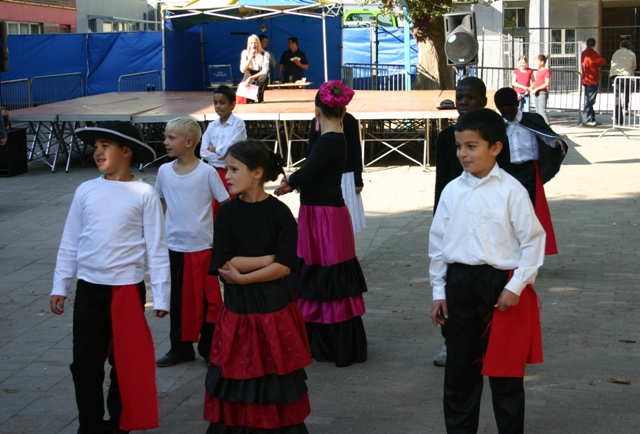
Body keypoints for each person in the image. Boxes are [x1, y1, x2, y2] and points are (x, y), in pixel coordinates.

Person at [49, 121, 170, 434]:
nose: (98, 152)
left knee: (125, 363)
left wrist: (162, 294)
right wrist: (60, 285)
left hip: (126, 291)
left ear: (126, 151)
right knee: (85, 364)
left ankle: (119, 424)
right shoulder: (86, 190)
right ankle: (89, 425)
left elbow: (156, 248)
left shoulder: (143, 193)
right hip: (89, 290)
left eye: (106, 145)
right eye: (96, 146)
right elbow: (70, 240)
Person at [430, 108, 545, 434]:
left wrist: (517, 286)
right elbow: (437, 245)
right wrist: (439, 292)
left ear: (495, 147)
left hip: (500, 289)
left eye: (471, 146)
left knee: (506, 375)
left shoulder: (511, 191)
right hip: (460, 285)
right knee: (459, 373)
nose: (463, 154)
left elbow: (533, 242)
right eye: (459, 146)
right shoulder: (452, 191)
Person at [205, 140, 312, 433]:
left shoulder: (279, 213)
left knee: (273, 376)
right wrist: (267, 259)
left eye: (233, 169)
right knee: (235, 378)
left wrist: (243, 276)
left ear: (256, 172)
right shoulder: (227, 213)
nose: (225, 175)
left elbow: (285, 267)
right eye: (226, 168)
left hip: (272, 312)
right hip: (238, 313)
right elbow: (224, 263)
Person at [275, 80, 368, 367]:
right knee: (323, 275)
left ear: (317, 110)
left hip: (324, 216)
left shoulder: (329, 140)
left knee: (324, 275)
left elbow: (307, 172)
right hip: (322, 212)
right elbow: (310, 171)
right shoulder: (335, 137)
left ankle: (328, 344)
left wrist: (288, 182)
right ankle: (330, 342)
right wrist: (293, 181)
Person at [433, 76, 510, 368]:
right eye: (459, 97)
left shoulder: (494, 137)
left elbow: (506, 174)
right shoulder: (446, 138)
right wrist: (439, 218)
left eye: (470, 98)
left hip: (487, 221)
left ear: (483, 102)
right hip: (456, 218)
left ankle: (490, 341)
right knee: (453, 287)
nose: (463, 103)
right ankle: (450, 342)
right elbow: (442, 183)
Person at [154, 118, 230, 368]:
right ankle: (180, 348)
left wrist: (225, 242)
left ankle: (209, 348)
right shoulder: (164, 171)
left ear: (189, 142)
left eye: (171, 138)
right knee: (177, 300)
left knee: (209, 301)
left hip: (204, 247)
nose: (165, 142)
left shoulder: (207, 172)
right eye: (166, 137)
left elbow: (225, 204)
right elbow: (161, 203)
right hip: (175, 247)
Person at [494, 87, 568, 256]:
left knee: (530, 213)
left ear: (517, 103)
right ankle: (510, 250)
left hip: (528, 172)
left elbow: (545, 135)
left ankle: (530, 252)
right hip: (506, 172)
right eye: (502, 111)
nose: (507, 113)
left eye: (510, 109)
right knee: (507, 212)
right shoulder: (497, 125)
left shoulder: (532, 119)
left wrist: (556, 141)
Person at [309, 111, 366, 233]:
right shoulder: (316, 120)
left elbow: (356, 149)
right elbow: (311, 151)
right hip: (323, 177)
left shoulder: (349, 120)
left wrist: (358, 179)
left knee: (347, 222)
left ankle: (346, 249)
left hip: (347, 177)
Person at [200, 85, 247, 217]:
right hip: (214, 170)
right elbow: (203, 152)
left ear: (232, 104)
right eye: (215, 103)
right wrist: (223, 155)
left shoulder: (239, 124)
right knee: (213, 207)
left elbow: (233, 149)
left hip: (230, 172)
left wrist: (215, 149)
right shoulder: (212, 126)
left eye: (222, 102)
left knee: (229, 205)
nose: (218, 106)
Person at [580, 38, 606, 127]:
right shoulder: (593, 54)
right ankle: (586, 119)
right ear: (594, 45)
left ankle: (592, 118)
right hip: (592, 79)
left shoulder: (584, 53)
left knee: (588, 99)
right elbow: (602, 61)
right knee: (591, 100)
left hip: (585, 78)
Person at [610, 40, 637, 124]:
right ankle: (625, 107)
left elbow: (612, 64)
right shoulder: (632, 54)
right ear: (629, 46)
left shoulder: (615, 53)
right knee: (627, 91)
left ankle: (618, 119)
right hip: (626, 76)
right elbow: (634, 67)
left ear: (620, 46)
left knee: (617, 96)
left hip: (615, 76)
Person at [240, 34, 270, 103]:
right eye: (251, 43)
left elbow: (264, 71)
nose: (254, 45)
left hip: (258, 76)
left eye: (255, 43)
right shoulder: (245, 53)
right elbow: (242, 70)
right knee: (249, 101)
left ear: (258, 43)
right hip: (248, 76)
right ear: (249, 44)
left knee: (264, 77)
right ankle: (251, 95)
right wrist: (250, 59)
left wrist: (250, 78)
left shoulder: (265, 54)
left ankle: (259, 92)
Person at [530, 54, 551, 124]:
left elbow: (547, 83)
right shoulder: (539, 70)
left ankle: (547, 124)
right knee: (538, 110)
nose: (536, 64)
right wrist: (532, 87)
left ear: (542, 62)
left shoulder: (546, 71)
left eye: (537, 62)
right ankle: (541, 124)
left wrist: (536, 89)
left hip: (542, 92)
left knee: (542, 110)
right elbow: (537, 81)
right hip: (537, 93)